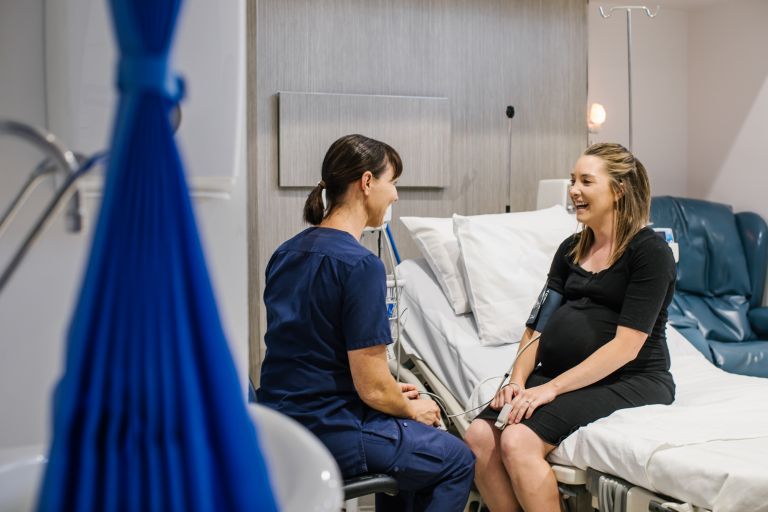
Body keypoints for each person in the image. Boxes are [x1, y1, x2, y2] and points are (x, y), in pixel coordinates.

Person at [257, 134, 474, 511]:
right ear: (367, 182)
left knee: (414, 459)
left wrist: (391, 393)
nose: (395, 195)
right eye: (393, 182)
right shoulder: (361, 266)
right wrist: (410, 408)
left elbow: (317, 354)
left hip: (280, 426)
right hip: (332, 429)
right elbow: (372, 388)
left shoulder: (285, 253)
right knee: (456, 460)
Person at [464, 143, 676, 512]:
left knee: (518, 440)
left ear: (618, 190)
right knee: (480, 436)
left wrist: (551, 390)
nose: (573, 190)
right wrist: (516, 381)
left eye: (586, 181)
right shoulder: (571, 249)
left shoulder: (649, 252)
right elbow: (538, 327)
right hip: (561, 375)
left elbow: (627, 346)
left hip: (632, 378)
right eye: (572, 180)